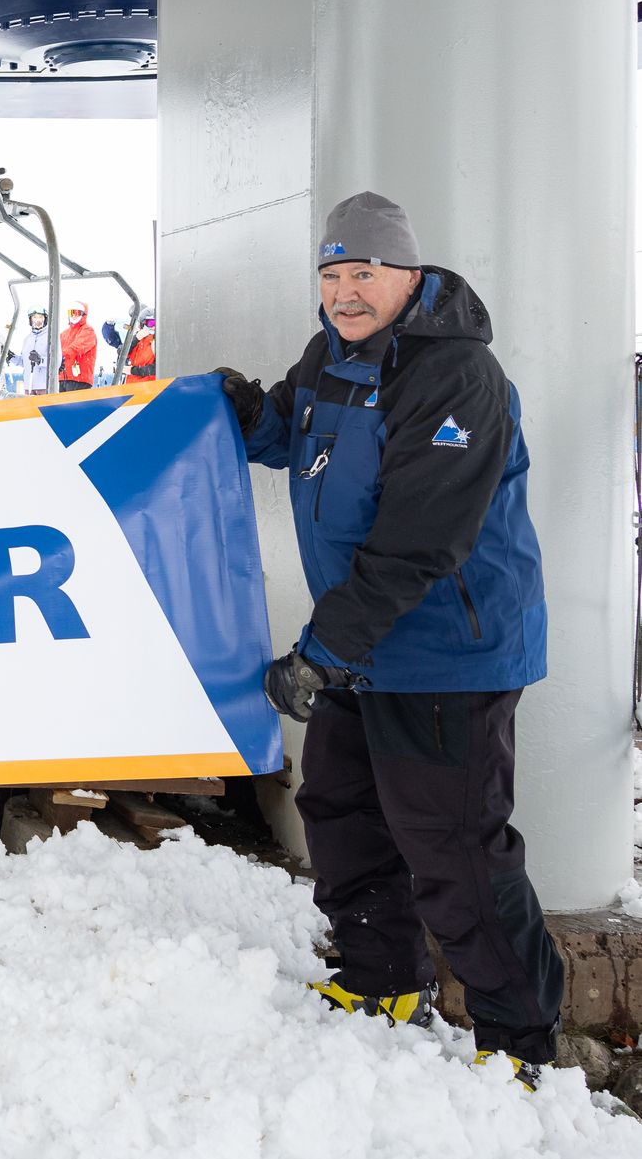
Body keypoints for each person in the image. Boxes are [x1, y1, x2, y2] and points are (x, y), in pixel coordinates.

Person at [216, 191, 562, 1089]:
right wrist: (230, 408)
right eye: (331, 274)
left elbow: (419, 542)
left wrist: (321, 653)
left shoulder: (455, 379)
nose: (344, 292)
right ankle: (382, 979)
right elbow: (283, 429)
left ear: (409, 274)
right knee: (340, 808)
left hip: (447, 649)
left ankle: (520, 1036)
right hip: (365, 645)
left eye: (362, 272)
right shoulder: (332, 355)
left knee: (452, 842)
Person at [102, 311, 157, 385]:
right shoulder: (136, 341)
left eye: (156, 323)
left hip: (151, 387)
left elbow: (158, 368)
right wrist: (136, 339)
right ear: (142, 324)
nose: (154, 327)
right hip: (131, 386)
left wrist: (132, 370)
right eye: (151, 323)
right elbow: (121, 351)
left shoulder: (157, 342)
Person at [57, 302, 97, 391]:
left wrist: (61, 357)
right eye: (72, 312)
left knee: (74, 404)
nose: (74, 315)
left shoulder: (88, 331)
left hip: (79, 380)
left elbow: (76, 348)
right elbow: (55, 349)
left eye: (77, 313)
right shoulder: (64, 334)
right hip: (62, 378)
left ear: (83, 314)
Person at [11, 307, 51, 394]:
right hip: (28, 386)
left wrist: (40, 360)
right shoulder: (27, 339)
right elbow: (24, 362)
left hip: (44, 386)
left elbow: (56, 362)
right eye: (34, 317)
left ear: (45, 319)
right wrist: (12, 357)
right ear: (30, 320)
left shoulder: (50, 337)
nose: (38, 320)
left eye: (40, 317)